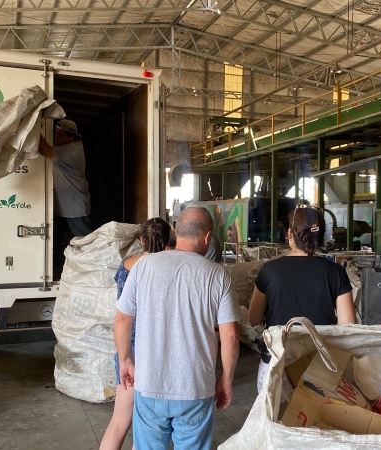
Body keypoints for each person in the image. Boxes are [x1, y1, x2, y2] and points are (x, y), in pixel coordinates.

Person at [115, 207, 241, 450]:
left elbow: (122, 320)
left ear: (177, 232)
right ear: (207, 237)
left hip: (149, 383)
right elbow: (231, 336)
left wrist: (126, 361)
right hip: (195, 387)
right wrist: (225, 379)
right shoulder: (217, 274)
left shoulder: (143, 266)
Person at [248, 206, 357, 393]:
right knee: (318, 419)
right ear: (321, 236)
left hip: (277, 363)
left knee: (273, 419)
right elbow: (348, 324)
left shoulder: (269, 270)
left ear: (289, 233)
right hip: (319, 364)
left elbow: (253, 319)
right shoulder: (336, 273)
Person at [100, 218, 171, 450]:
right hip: (157, 344)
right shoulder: (169, 267)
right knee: (150, 425)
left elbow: (122, 313)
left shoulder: (127, 264)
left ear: (141, 240)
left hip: (128, 343)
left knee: (119, 421)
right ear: (169, 239)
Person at [38, 119, 92, 279]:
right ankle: (57, 271)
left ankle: (92, 272)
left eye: (60, 135)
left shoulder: (71, 151)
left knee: (86, 243)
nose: (56, 138)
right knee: (55, 241)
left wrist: (32, 125)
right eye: (55, 134)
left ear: (71, 137)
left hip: (75, 207)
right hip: (62, 207)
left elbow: (43, 149)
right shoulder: (65, 148)